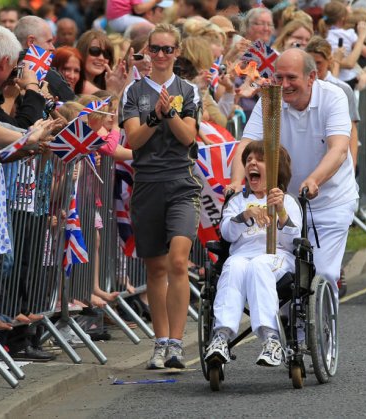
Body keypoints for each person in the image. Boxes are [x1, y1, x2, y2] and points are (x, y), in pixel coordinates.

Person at [229, 48, 357, 304]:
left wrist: (314, 179)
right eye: (279, 77)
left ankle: (323, 340)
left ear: (311, 77)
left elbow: (340, 149)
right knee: (285, 276)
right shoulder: (270, 100)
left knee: (323, 272)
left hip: (330, 202)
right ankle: (290, 335)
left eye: (291, 78)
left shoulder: (334, 97)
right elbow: (246, 144)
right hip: (285, 204)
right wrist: (235, 181)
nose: (284, 85)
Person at [121, 23, 202, 370]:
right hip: (148, 184)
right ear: (147, 52)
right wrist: (154, 116)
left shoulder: (189, 91)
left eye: (168, 49)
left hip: (182, 182)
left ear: (177, 52)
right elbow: (132, 141)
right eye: (156, 49)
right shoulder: (134, 92)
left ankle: (177, 345)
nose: (161, 55)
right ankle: (161, 341)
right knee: (155, 267)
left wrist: (169, 113)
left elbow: (188, 138)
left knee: (178, 261)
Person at [204, 141, 301, 368]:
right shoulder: (237, 201)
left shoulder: (287, 201)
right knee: (234, 265)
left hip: (278, 258)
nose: (252, 163)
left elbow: (293, 240)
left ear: (276, 169)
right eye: (248, 160)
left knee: (259, 264)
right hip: (242, 256)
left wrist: (281, 213)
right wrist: (244, 215)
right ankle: (221, 336)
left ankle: (271, 339)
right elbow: (227, 233)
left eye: (260, 159)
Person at [306, 36, 360, 170]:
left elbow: (352, 129)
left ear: (329, 60)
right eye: (310, 62)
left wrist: (352, 164)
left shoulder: (343, 89)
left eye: (318, 62)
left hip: (334, 156)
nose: (314, 67)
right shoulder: (300, 87)